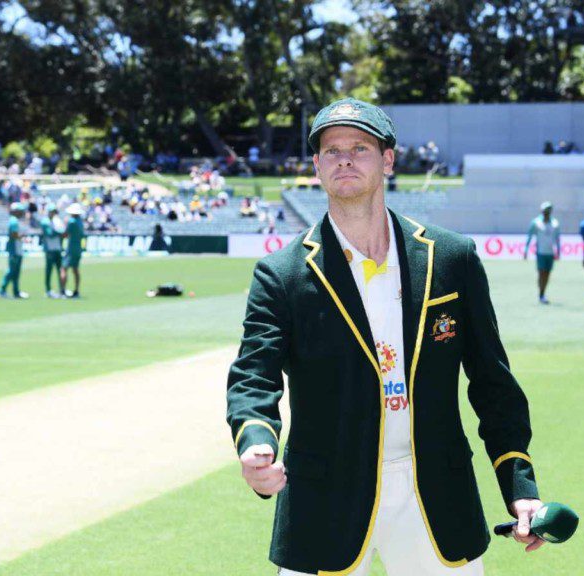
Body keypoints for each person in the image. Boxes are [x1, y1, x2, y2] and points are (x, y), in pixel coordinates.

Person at [227, 97, 544, 576]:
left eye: (360, 147)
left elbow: (492, 381)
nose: (345, 159)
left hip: (436, 492)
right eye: (331, 151)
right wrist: (255, 437)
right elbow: (254, 373)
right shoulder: (282, 273)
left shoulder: (451, 257)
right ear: (316, 165)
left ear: (388, 159)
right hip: (325, 497)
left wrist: (520, 486)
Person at [523, 201, 561, 304]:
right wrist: (526, 250)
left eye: (548, 210)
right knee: (541, 273)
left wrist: (558, 251)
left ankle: (543, 291)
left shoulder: (555, 223)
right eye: (545, 210)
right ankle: (541, 293)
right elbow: (530, 236)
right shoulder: (536, 222)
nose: (546, 212)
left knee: (547, 273)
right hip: (540, 252)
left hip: (550, 253)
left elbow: (557, 238)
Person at [0, 202, 29, 299]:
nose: (21, 213)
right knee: (12, 271)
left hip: (17, 249)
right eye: (20, 211)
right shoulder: (13, 221)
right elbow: (14, 235)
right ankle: (2, 290)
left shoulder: (14, 220)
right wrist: (22, 236)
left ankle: (16, 292)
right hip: (14, 250)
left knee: (16, 272)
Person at [41, 204, 65, 298]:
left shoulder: (55, 221)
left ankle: (61, 289)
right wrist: (60, 233)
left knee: (60, 269)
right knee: (49, 270)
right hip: (49, 249)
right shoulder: (45, 222)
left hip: (57, 248)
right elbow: (49, 234)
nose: (53, 213)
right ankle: (48, 290)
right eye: (52, 211)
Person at [61, 203, 85, 298]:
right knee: (75, 269)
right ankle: (76, 290)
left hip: (71, 248)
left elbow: (65, 234)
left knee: (64, 268)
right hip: (78, 248)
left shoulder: (71, 221)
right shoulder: (80, 221)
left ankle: (63, 291)